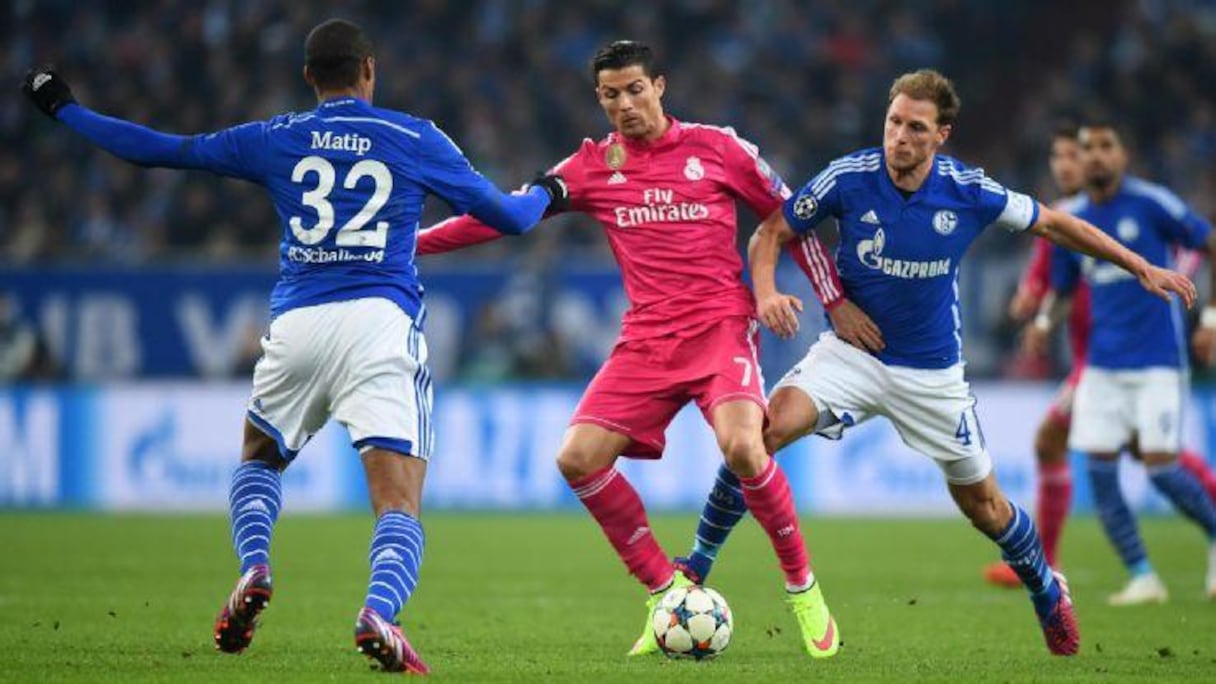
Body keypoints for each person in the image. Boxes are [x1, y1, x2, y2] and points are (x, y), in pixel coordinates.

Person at [23, 18, 565, 674]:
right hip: (379, 322)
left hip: (298, 322)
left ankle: (255, 566)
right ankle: (377, 613)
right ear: (369, 70)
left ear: (310, 76)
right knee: (398, 501)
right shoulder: (414, 136)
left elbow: (156, 150)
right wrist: (549, 192)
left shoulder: (273, 136)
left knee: (259, 458)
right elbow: (507, 218)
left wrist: (66, 108)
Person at [678, 69, 1198, 656]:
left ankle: (1047, 590)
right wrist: (769, 292)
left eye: (915, 128)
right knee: (761, 431)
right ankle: (697, 563)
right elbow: (771, 232)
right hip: (850, 356)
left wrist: (1140, 265)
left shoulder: (969, 191)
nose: (899, 136)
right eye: (894, 121)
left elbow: (1056, 224)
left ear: (941, 135)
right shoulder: (850, 177)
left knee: (985, 508)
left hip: (931, 376)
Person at [417, 40, 859, 658]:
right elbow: (507, 213)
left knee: (742, 445)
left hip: (719, 330)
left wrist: (831, 302)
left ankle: (803, 588)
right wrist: (414, 244)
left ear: (660, 86)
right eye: (609, 95)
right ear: (598, 99)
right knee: (577, 459)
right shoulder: (591, 165)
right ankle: (664, 591)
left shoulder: (721, 149)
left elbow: (791, 221)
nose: (624, 105)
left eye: (634, 90)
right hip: (647, 341)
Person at [984, 125, 1216, 588]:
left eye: (1098, 149)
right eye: (1075, 152)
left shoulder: (1149, 204)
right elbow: (1058, 284)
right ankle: (1140, 577)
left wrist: (1210, 319)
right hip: (1100, 366)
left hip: (1150, 360)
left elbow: (1203, 245)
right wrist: (1043, 319)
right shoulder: (1070, 220)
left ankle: (1045, 559)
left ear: (1123, 154)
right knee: (1103, 462)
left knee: (1156, 464)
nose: (1084, 160)